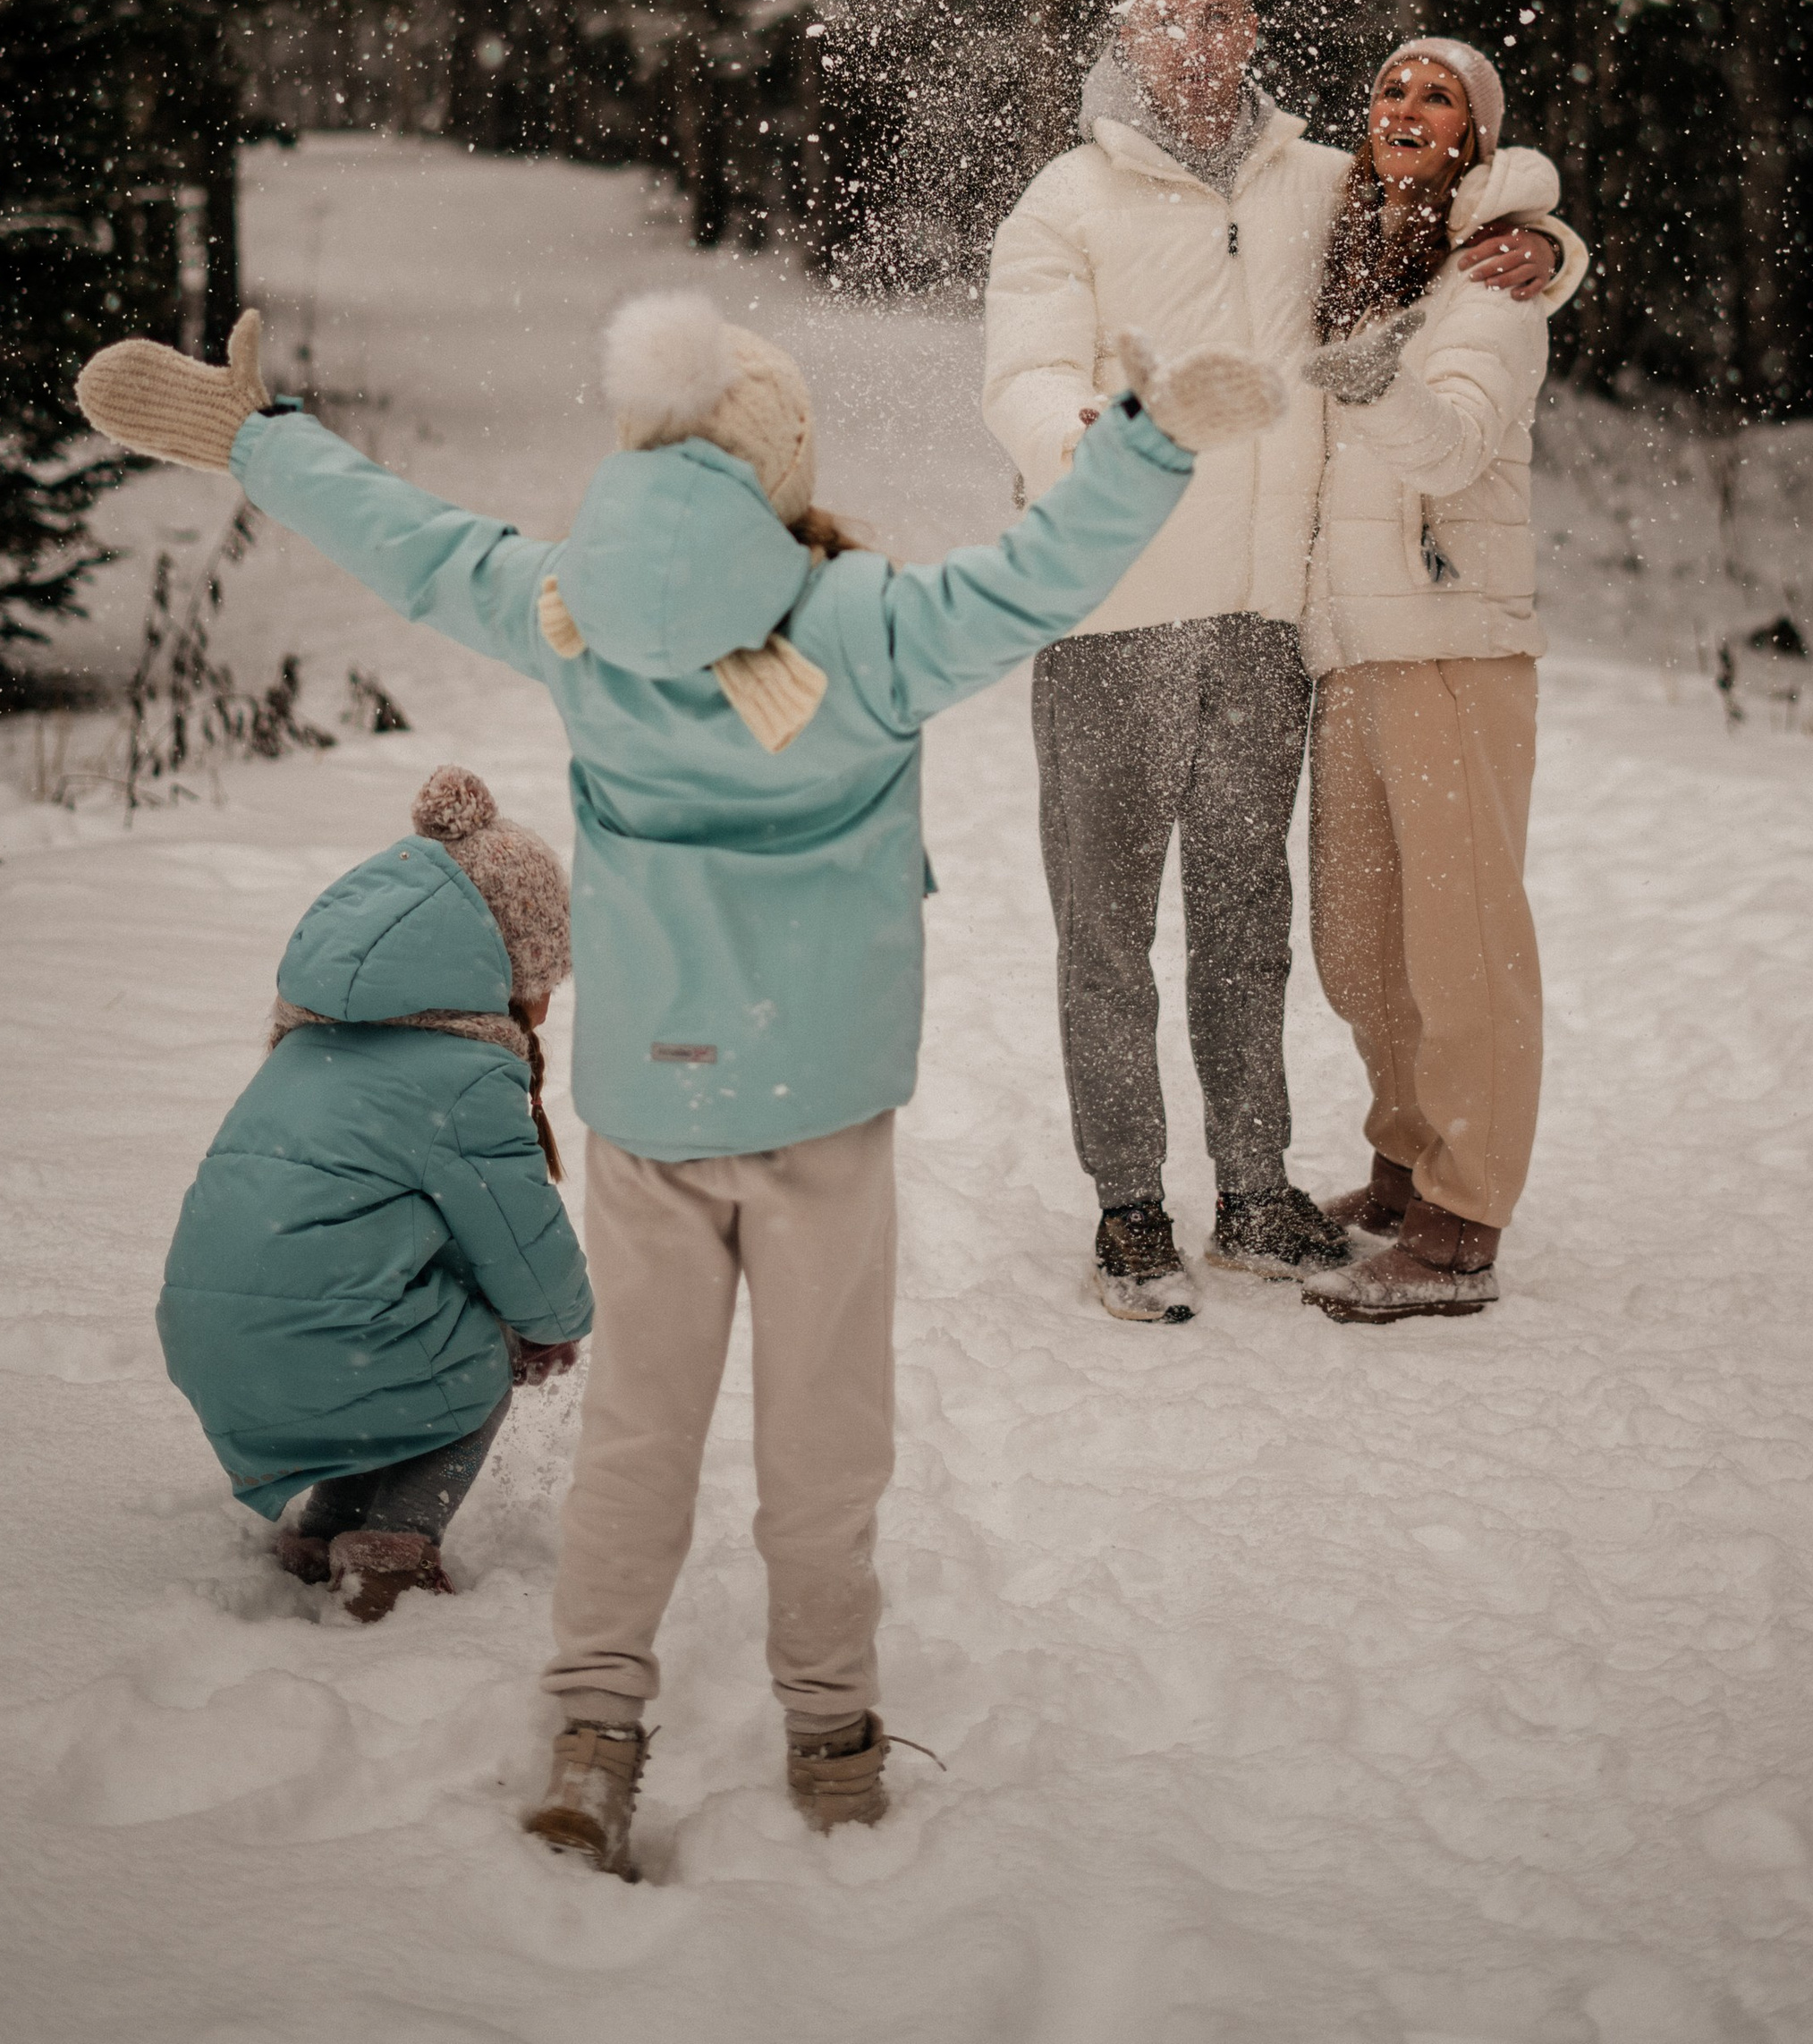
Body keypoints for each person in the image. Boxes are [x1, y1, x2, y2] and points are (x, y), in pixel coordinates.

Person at [77, 286, 1285, 1873]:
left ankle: (592, 1728)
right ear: (776, 473)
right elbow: (1042, 572)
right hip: (820, 1114)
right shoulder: (865, 629)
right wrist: (1147, 444)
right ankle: (833, 1735)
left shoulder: (570, 608)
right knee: (823, 1444)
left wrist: (261, 437)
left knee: (641, 1440)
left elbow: (415, 542)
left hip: (653, 1110)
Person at [982, 0, 1578, 1323]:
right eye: (1163, 17)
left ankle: (1254, 1187)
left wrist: (1549, 243)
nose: (1192, 40)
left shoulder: (1317, 185)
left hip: (1267, 627)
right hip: (1113, 614)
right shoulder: (1066, 197)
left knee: (1252, 930)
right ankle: (1131, 1206)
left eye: (1218, 15)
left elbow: (1464, 214)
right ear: (1125, 33)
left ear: (1251, 32)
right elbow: (1023, 369)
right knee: (1106, 932)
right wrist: (1078, 443)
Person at [157, 763, 591, 1621]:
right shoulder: (464, 1073)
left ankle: (327, 1529)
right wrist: (552, 1325)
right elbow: (517, 1232)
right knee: (479, 1351)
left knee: (379, 1322)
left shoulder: (307, 1046)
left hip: (216, 1349)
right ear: (503, 960)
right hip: (314, 1347)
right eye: (543, 969)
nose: (547, 995)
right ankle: (394, 1548)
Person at [1293, 36, 1581, 1325]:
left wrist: (1379, 387)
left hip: (1453, 644)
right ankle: (1405, 1164)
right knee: (1362, 946)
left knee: (1462, 947)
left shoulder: (1492, 281)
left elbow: (1455, 449)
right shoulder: (1358, 245)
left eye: (1439, 95)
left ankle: (1465, 1221)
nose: (1407, 107)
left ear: (1475, 134)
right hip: (1355, 646)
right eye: (1394, 89)